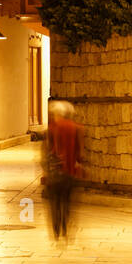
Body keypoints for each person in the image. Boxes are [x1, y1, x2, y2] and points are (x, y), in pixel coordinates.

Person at [44, 100, 81, 238]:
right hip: (69, 172)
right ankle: (65, 225)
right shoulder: (75, 127)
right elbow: (79, 152)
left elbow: (48, 151)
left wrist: (45, 170)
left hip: (55, 172)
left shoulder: (52, 128)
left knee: (54, 202)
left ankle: (56, 229)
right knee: (66, 200)